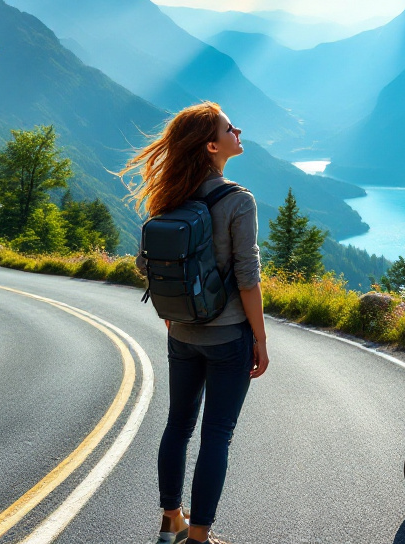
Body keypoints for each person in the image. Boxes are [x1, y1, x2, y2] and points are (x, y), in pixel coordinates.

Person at [125, 102, 269, 544]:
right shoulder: (238, 200)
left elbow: (146, 264)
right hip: (228, 337)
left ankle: (172, 520)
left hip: (182, 333)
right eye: (229, 128)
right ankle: (199, 537)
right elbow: (248, 278)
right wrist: (260, 340)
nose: (237, 131)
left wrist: (176, 311)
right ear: (211, 146)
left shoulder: (171, 196)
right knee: (217, 435)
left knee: (178, 426)